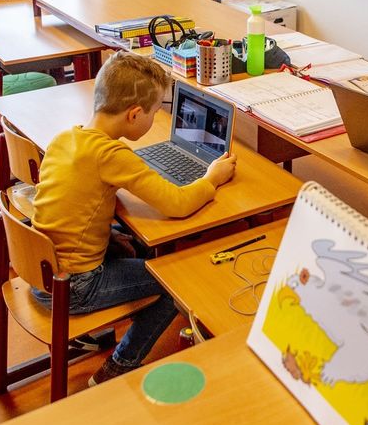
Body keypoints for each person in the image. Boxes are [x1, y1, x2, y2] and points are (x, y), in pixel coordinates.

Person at [29, 51, 238, 386]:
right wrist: (211, 178)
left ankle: (99, 331)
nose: (157, 119)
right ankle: (120, 363)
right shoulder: (111, 154)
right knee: (177, 282)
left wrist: (110, 236)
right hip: (74, 287)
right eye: (156, 112)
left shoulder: (67, 138)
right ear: (134, 114)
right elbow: (177, 203)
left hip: (43, 275)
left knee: (131, 241)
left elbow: (71, 207)